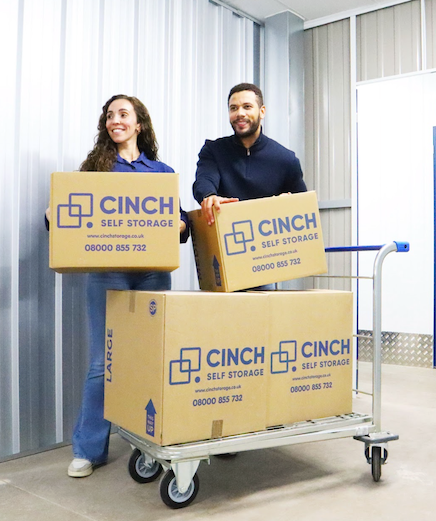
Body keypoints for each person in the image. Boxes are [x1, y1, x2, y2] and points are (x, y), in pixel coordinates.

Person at [47, 94, 188, 478]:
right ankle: (88, 450)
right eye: (110, 115)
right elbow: (67, 216)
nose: (115, 120)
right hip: (108, 273)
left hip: (152, 274)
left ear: (139, 123)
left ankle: (151, 438)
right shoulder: (95, 170)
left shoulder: (160, 172)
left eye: (123, 114)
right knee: (102, 363)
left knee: (152, 359)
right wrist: (53, 214)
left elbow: (180, 226)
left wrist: (178, 223)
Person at [192, 82, 307, 226]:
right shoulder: (213, 150)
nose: (240, 113)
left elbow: (305, 208)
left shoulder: (286, 159)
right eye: (233, 108)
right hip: (226, 233)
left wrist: (292, 202)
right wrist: (209, 196)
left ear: (262, 111)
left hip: (269, 237)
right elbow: (204, 181)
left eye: (247, 107)